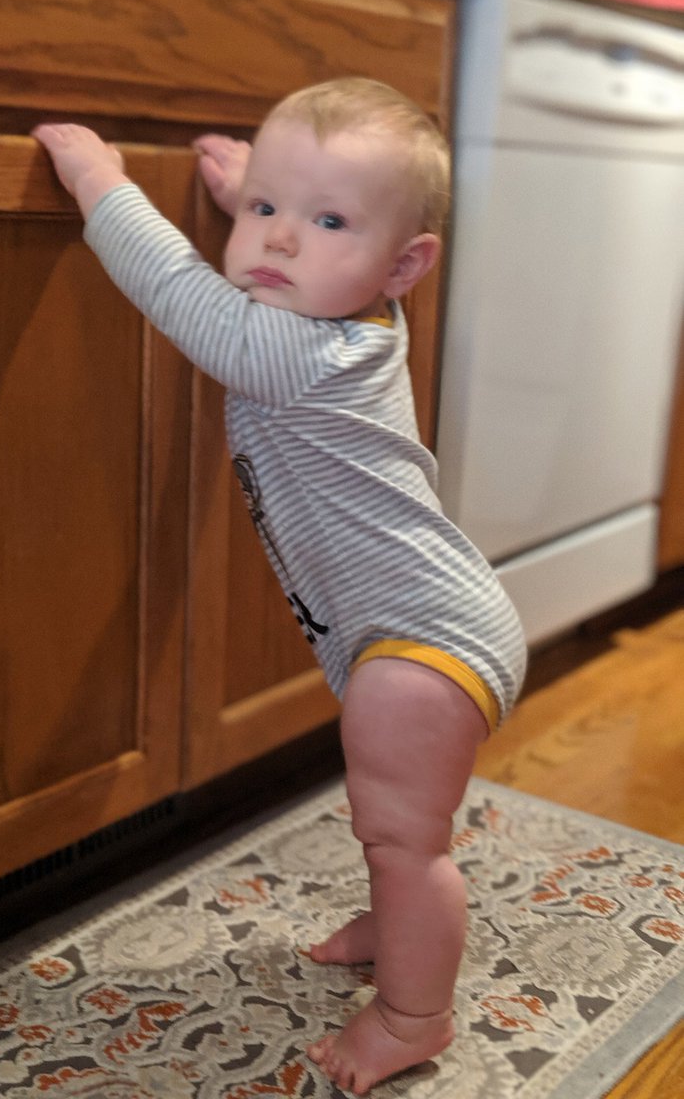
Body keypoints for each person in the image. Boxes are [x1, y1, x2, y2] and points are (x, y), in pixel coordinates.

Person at [32, 77, 527, 1095]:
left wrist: (101, 181)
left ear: (405, 264)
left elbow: (178, 293)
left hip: (421, 651)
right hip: (424, 627)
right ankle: (400, 934)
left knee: (404, 840)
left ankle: (411, 1015)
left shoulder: (300, 354)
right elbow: (293, 246)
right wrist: (255, 198)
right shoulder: (363, 312)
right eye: (266, 210)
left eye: (326, 220)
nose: (280, 244)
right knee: (390, 824)